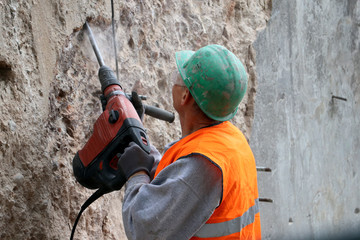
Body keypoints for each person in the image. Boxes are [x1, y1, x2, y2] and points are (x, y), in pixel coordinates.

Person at [118, 44, 261, 239]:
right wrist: (138, 135)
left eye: (179, 78)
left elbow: (144, 229)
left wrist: (136, 174)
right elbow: (179, 180)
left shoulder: (204, 165)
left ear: (185, 96)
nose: (175, 81)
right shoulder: (231, 140)